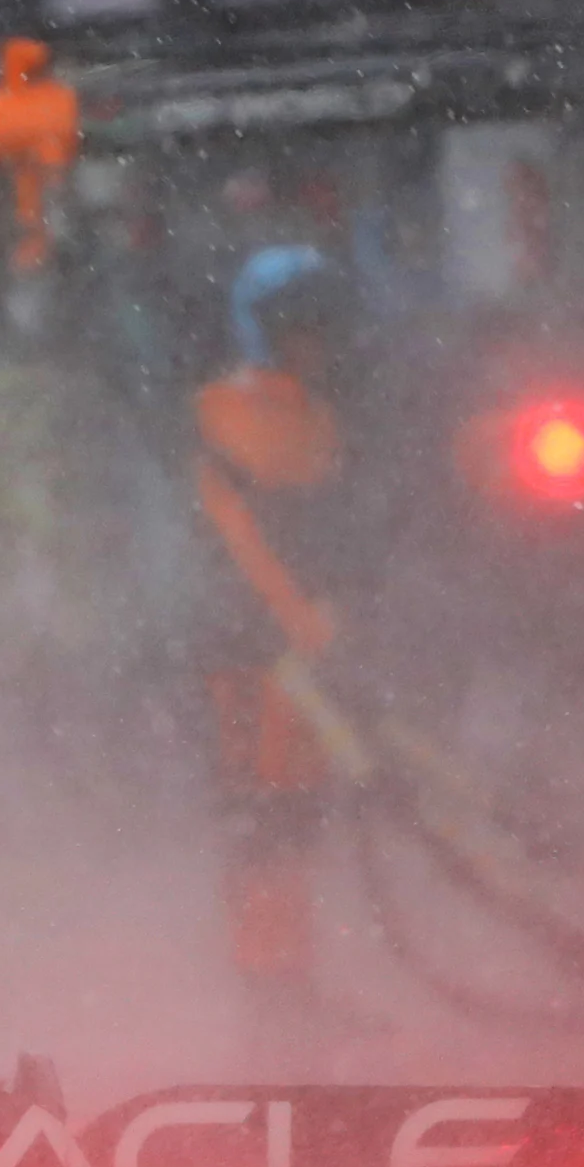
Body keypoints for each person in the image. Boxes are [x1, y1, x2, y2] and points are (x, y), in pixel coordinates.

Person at [190, 246, 382, 979]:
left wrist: (328, 618)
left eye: (324, 329)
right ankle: (270, 987)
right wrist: (296, 617)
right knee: (261, 822)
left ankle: (292, 977)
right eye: (304, 329)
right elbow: (240, 532)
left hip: (296, 653)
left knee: (294, 818)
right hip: (247, 649)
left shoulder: (314, 417)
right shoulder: (227, 413)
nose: (318, 346)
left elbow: (326, 530)